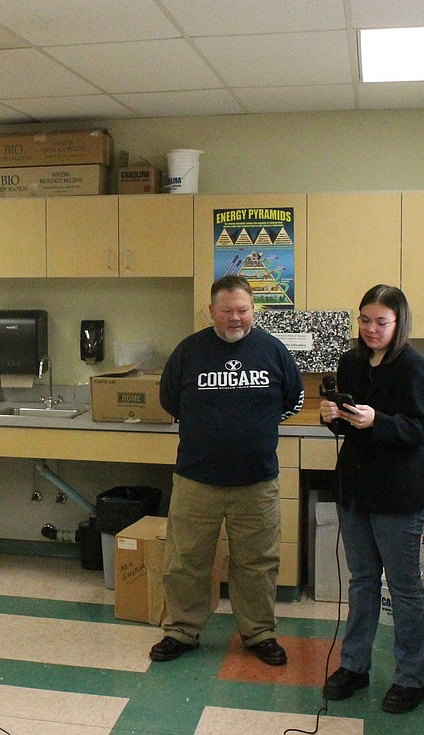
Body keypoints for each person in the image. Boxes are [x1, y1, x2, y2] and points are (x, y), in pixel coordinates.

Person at [150, 275, 304, 665]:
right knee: (186, 560)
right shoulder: (189, 352)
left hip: (257, 481)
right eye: (227, 311)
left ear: (254, 310)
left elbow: (293, 400)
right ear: (211, 311)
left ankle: (259, 633)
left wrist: (253, 427)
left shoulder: (273, 350)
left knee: (257, 561)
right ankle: (181, 631)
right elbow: (170, 400)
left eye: (243, 310)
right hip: (196, 479)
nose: (235, 318)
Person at [318, 284, 424, 714]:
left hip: (398, 495)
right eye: (364, 320)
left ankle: (410, 678)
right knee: (362, 581)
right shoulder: (351, 361)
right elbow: (347, 427)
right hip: (355, 489)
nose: (370, 329)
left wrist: (378, 421)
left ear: (398, 322)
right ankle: (354, 665)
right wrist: (333, 417)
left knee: (405, 588)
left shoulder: (415, 367)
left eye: (381, 322)